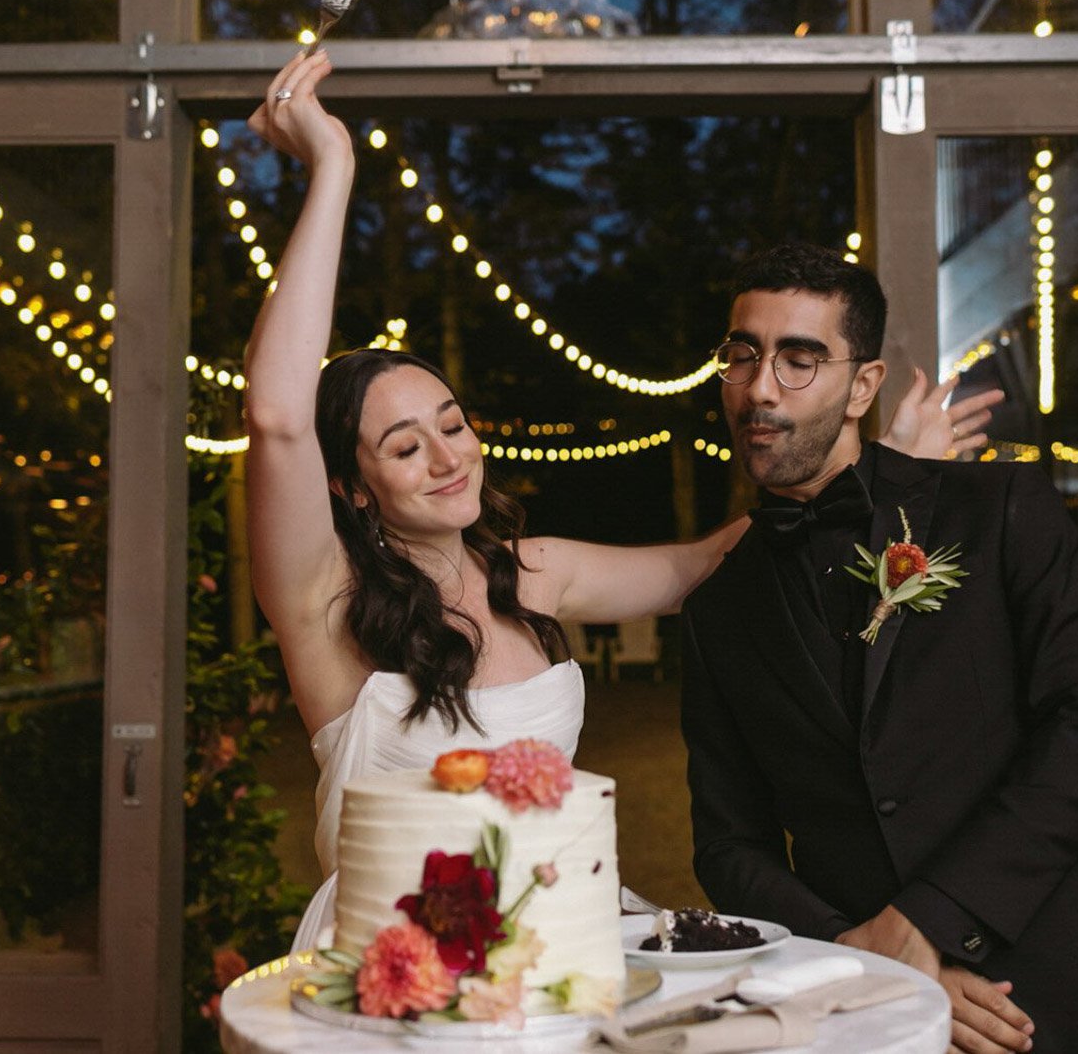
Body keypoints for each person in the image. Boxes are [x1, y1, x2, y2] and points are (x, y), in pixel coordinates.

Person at [241, 52, 998, 950]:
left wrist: (882, 467)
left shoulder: (535, 574)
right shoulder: (321, 601)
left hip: (557, 938)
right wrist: (334, 169)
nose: (449, 457)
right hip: (398, 961)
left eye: (453, 423)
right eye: (405, 446)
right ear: (349, 487)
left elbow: (714, 558)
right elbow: (278, 412)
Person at [679, 241, 1078, 1053]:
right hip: (876, 1016)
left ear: (862, 386)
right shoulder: (716, 609)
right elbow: (730, 843)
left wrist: (924, 921)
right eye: (743, 355)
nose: (761, 388)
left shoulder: (1001, 509)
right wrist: (859, 955)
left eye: (799, 359)